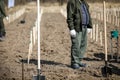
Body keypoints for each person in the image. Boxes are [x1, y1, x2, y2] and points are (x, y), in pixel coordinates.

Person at [67, 0, 92, 69]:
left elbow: (88, 14)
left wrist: (90, 26)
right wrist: (71, 28)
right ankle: (74, 62)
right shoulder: (72, 2)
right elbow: (70, 17)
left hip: (84, 27)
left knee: (83, 45)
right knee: (76, 45)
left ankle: (79, 61)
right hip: (77, 28)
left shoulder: (84, 2)